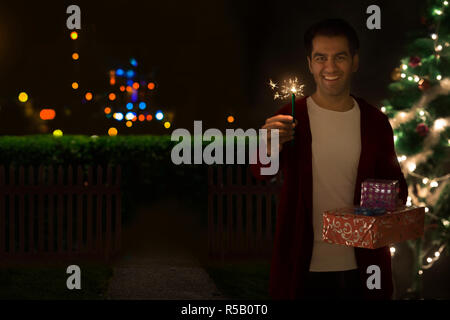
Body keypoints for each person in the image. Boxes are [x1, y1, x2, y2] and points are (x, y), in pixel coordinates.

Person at [250, 18, 408, 300]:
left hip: (363, 270)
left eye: (340, 57)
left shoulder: (375, 122)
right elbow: (260, 171)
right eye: (321, 58)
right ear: (310, 63)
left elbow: (397, 187)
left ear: (355, 61)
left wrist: (389, 205)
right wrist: (267, 146)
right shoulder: (290, 116)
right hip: (303, 268)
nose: (331, 67)